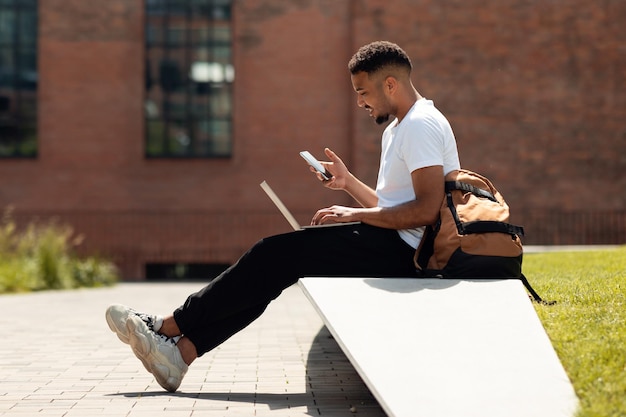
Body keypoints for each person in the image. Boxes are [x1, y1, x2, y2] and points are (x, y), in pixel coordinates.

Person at [105, 40, 461, 392]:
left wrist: (356, 214)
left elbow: (426, 211)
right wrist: (348, 183)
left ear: (390, 84)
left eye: (363, 91)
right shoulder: (399, 128)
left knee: (272, 254)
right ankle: (180, 355)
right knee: (273, 267)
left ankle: (167, 328)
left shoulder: (421, 124)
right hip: (392, 241)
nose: (359, 102)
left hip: (408, 253)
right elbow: (392, 203)